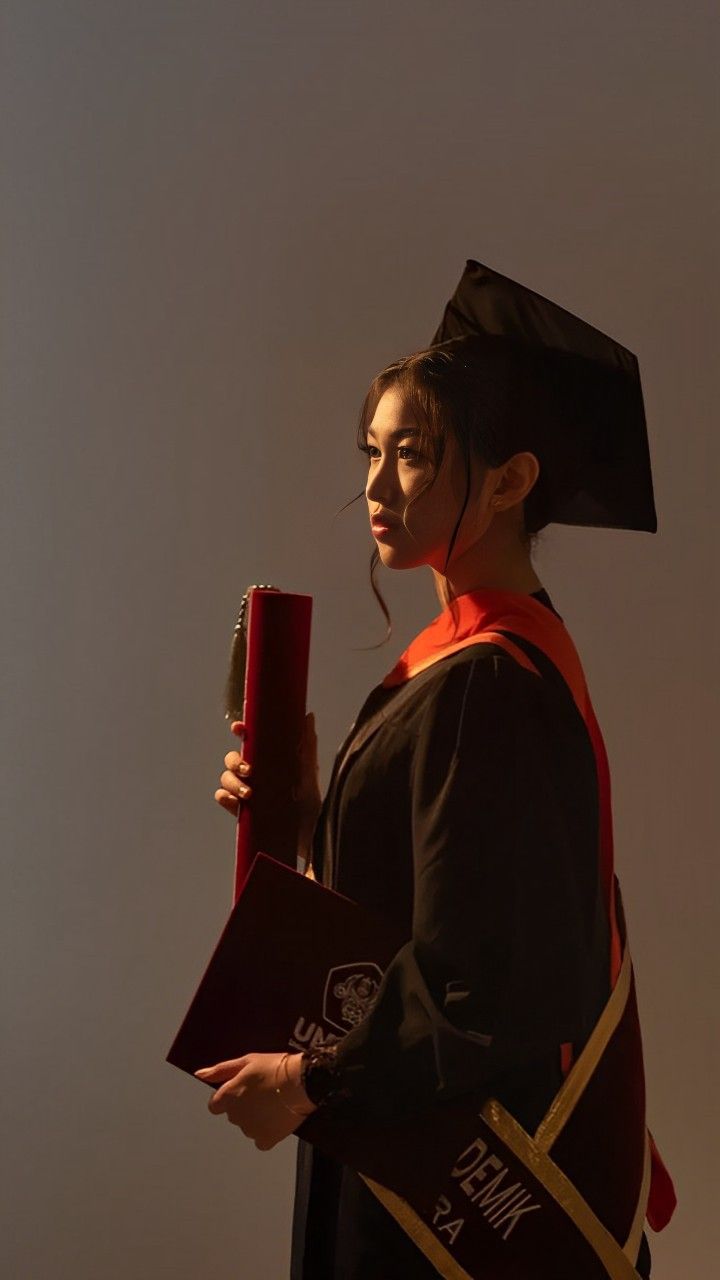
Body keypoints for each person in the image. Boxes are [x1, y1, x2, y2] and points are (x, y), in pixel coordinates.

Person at [197, 262, 676, 1278]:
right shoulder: (476, 663)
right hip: (407, 1135)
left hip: (442, 1194)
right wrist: (304, 818)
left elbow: (483, 986)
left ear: (511, 479)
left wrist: (307, 1080)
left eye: (413, 455)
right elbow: (431, 915)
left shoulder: (489, 685)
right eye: (371, 451)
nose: (375, 486)